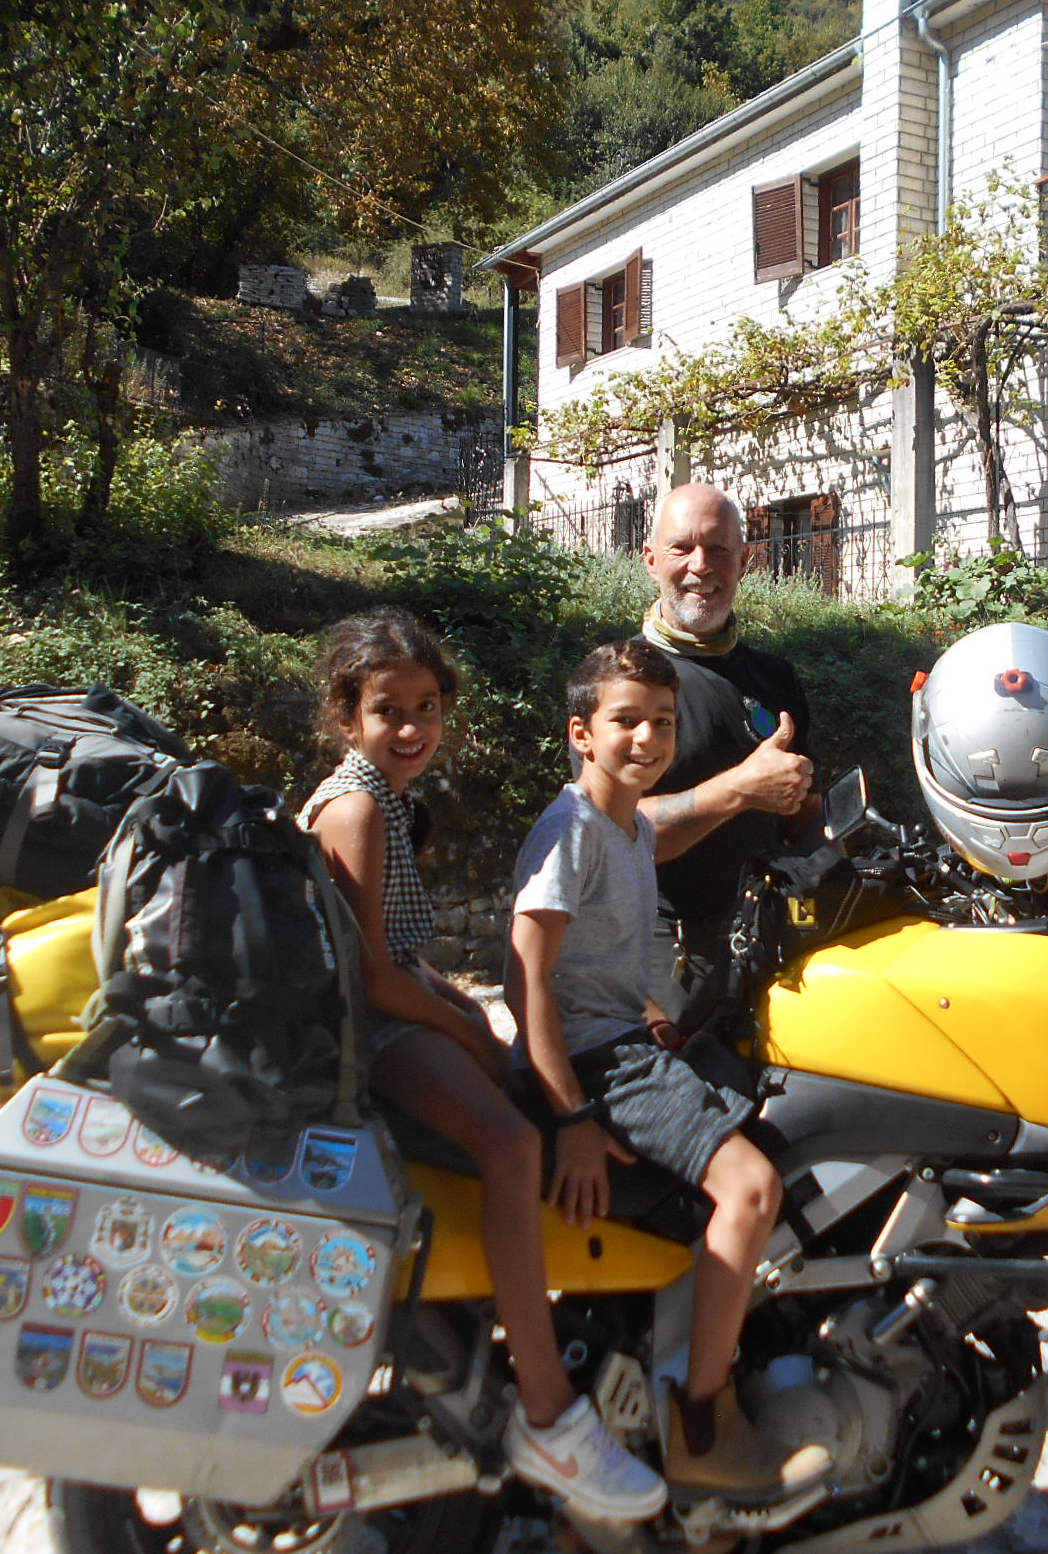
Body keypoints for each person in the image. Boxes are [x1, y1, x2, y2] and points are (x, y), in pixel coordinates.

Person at [304, 611, 666, 1523]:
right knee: (513, 1145)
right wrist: (470, 1034)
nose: (412, 728)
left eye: (427, 707)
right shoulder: (355, 807)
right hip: (368, 1034)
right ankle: (550, 1412)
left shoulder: (381, 798)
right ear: (346, 716)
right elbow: (373, 980)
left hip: (387, 1012)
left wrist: (461, 1008)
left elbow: (395, 952)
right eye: (389, 710)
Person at [509, 638, 831, 1502]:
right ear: (581, 733)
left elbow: (592, 961)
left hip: (619, 1039)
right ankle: (702, 1425)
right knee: (752, 1189)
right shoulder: (573, 831)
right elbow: (525, 979)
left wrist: (645, 1010)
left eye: (662, 723)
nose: (647, 739)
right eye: (626, 722)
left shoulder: (630, 826)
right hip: (595, 1065)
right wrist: (573, 1120)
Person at [634, 484, 818, 1032]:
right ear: (651, 560)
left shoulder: (774, 677)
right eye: (682, 548)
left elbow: (802, 817)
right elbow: (613, 837)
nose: (701, 566)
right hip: (670, 962)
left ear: (744, 561)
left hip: (773, 943)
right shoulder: (620, 682)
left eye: (718, 549)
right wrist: (742, 788)